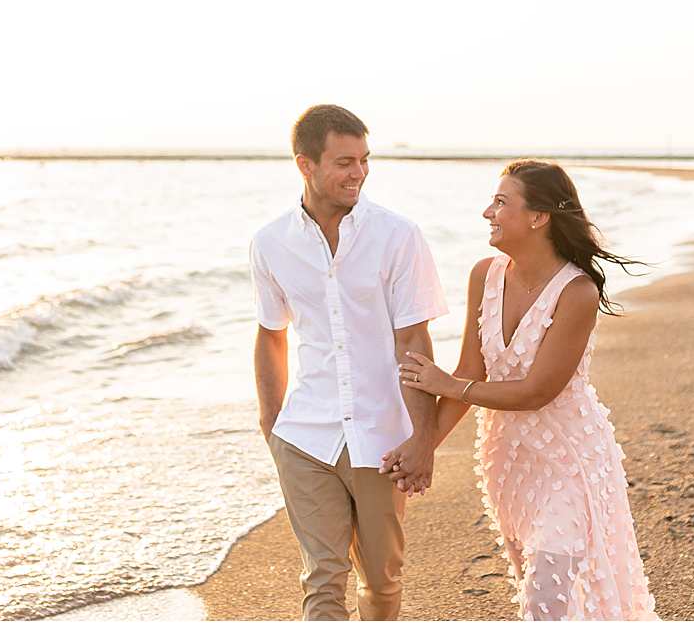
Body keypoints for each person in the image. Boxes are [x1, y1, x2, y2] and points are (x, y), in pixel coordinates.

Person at [392, 161, 655, 622]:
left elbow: (538, 391)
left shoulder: (577, 291)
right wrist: (422, 448)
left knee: (544, 603)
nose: (486, 212)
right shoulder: (484, 275)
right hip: (508, 461)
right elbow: (472, 369)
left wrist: (449, 385)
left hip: (570, 461)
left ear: (538, 217)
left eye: (500, 202)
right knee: (536, 589)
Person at [250, 105, 447, 620]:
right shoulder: (270, 243)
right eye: (343, 162)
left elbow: (414, 340)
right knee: (322, 576)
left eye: (363, 160)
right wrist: (271, 425)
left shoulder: (397, 235)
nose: (357, 173)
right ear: (305, 165)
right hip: (304, 436)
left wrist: (422, 438)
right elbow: (271, 335)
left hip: (382, 438)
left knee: (382, 581)